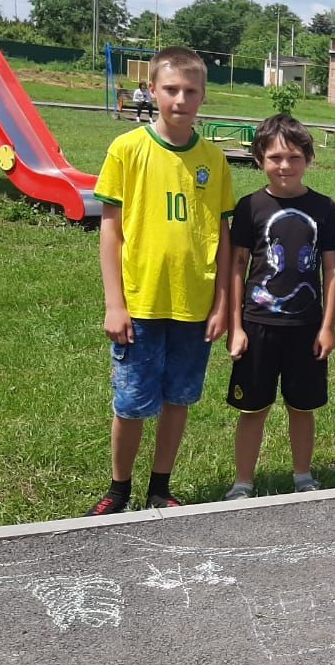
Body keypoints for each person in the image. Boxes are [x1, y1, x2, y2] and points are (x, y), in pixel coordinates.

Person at [87, 46, 234, 515]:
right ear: (151, 90)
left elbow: (222, 236)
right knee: (131, 402)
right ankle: (119, 489)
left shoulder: (214, 159)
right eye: (171, 89)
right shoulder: (127, 149)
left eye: (190, 91)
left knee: (179, 398)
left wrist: (221, 303)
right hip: (141, 303)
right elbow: (111, 231)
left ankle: (160, 487)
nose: (180, 99)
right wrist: (115, 304)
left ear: (203, 96)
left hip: (194, 305)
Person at [223, 114, 335, 500]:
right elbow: (237, 267)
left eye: (293, 157)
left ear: (308, 159)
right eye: (274, 157)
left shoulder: (324, 208)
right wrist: (236, 327)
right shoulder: (249, 207)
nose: (284, 165)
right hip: (257, 326)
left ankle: (303, 476)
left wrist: (327, 326)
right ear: (259, 159)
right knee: (252, 409)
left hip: (306, 328)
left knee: (302, 408)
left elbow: (331, 269)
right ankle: (243, 482)